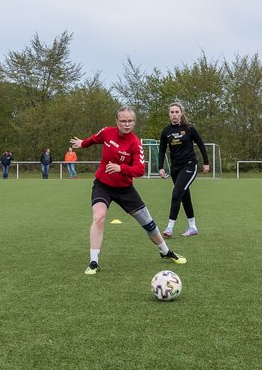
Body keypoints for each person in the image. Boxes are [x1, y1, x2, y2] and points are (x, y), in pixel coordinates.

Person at [71, 106, 186, 275]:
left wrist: (121, 168)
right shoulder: (107, 132)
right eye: (123, 121)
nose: (126, 124)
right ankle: (94, 261)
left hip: (125, 190)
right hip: (103, 186)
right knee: (99, 217)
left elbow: (139, 170)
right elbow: (95, 139)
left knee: (149, 224)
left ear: (134, 122)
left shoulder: (135, 144)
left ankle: (165, 251)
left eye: (130, 121)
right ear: (117, 121)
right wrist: (82, 143)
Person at [158, 101, 211, 238]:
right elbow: (162, 150)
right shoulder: (166, 131)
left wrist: (206, 162)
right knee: (184, 196)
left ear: (181, 114)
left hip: (189, 165)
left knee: (176, 194)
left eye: (177, 112)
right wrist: (160, 167)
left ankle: (169, 228)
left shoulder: (189, 129)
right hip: (175, 168)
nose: (174, 114)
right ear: (169, 115)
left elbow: (200, 145)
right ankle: (192, 227)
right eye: (172, 112)